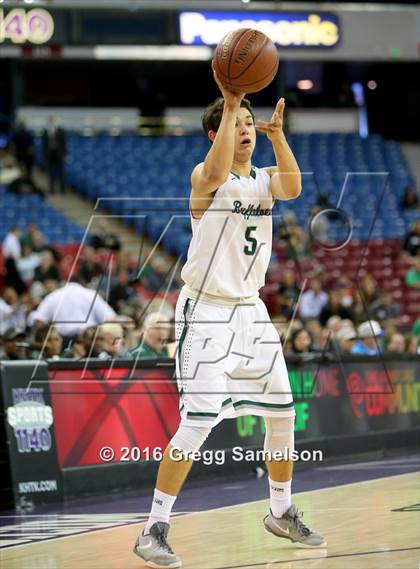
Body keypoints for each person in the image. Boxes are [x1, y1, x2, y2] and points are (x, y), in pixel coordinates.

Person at [133, 67, 325, 567]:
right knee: (196, 425)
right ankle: (153, 528)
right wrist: (229, 95)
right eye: (236, 121)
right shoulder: (205, 177)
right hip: (207, 311)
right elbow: (215, 175)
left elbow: (294, 187)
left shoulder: (262, 180)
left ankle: (281, 512)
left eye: (249, 120)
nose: (246, 127)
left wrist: (279, 138)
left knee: (284, 415)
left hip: (251, 312)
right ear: (215, 133)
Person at [29, 277, 116, 346]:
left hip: (61, 342)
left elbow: (38, 321)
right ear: (83, 284)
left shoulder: (54, 296)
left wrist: (46, 341)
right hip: (88, 340)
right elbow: (111, 318)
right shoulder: (90, 294)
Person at [42, 115, 67, 194]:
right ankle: (51, 189)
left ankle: (62, 189)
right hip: (50, 154)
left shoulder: (60, 130)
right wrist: (44, 154)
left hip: (59, 154)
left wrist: (64, 154)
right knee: (50, 172)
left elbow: (64, 143)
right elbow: (44, 144)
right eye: (50, 120)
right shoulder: (46, 131)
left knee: (61, 172)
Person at [2, 226, 26, 294]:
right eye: (18, 231)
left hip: (11, 261)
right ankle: (19, 293)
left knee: (13, 280)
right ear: (14, 231)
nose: (19, 233)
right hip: (11, 262)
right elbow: (11, 252)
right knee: (13, 280)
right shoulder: (11, 238)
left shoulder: (10, 238)